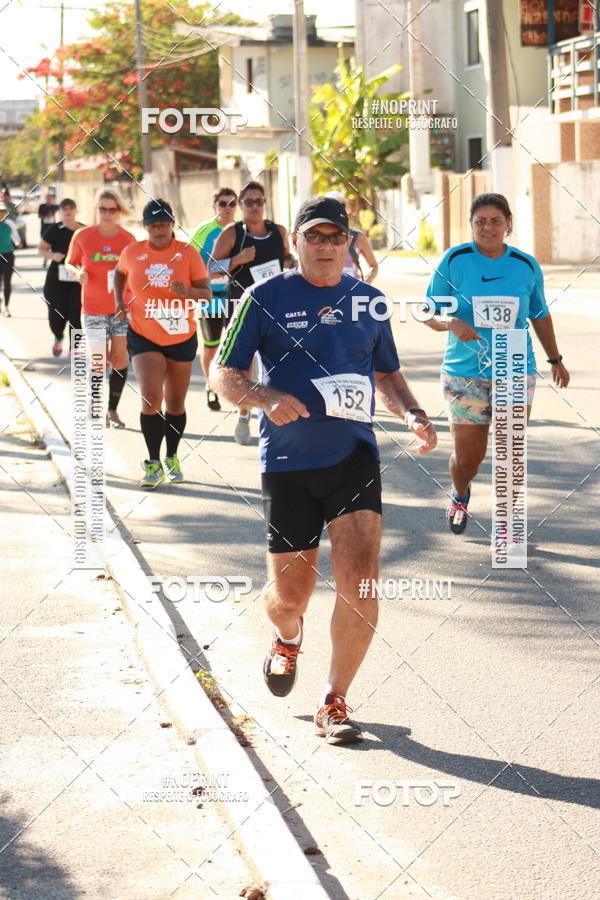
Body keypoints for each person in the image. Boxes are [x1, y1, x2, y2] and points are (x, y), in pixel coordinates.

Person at [211, 196, 437, 745]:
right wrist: (265, 398)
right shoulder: (264, 298)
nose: (327, 245)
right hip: (288, 462)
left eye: (337, 237)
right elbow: (224, 373)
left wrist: (412, 412)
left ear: (349, 243)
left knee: (361, 574)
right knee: (291, 595)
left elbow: (387, 374)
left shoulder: (370, 302)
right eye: (316, 236)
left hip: (354, 456)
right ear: (297, 242)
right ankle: (287, 638)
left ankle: (335, 700)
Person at [424, 192, 570, 534]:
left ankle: (507, 525)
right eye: (480, 221)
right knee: (468, 459)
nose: (488, 227)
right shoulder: (455, 259)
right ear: (471, 224)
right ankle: (461, 494)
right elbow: (426, 310)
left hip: (514, 364)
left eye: (495, 221)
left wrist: (555, 359)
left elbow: (539, 313)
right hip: (465, 372)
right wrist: (451, 323)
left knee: (510, 450)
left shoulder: (525, 265)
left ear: (508, 225)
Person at [114, 199, 211, 489]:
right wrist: (120, 301)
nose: (160, 230)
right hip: (143, 333)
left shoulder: (187, 253)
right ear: (146, 227)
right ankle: (153, 461)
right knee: (151, 398)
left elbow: (206, 294)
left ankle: (172, 456)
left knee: (175, 402)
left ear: (172, 225)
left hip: (181, 335)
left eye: (165, 225)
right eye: (154, 225)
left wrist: (187, 291)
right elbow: (119, 274)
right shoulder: (132, 252)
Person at [212, 180, 291, 445]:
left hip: (276, 307)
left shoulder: (278, 231)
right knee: (243, 367)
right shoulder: (233, 234)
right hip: (241, 308)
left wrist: (291, 264)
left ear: (265, 203)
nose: (254, 206)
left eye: (259, 201)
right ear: (240, 206)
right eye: (249, 202)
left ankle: (275, 412)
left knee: (278, 363)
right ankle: (244, 415)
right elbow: (210, 268)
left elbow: (288, 259)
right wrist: (237, 260)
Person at [66, 188, 135, 428]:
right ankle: (94, 404)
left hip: (120, 308)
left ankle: (112, 411)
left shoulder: (127, 239)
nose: (107, 214)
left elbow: (135, 271)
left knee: (119, 359)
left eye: (111, 209)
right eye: (102, 209)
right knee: (98, 359)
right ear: (96, 210)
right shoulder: (83, 236)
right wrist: (78, 273)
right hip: (93, 308)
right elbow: (70, 262)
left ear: (118, 211)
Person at [189, 186, 238, 411]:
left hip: (236, 296)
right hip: (210, 297)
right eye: (222, 204)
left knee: (236, 344)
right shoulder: (204, 231)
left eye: (232, 204)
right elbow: (188, 260)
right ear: (214, 206)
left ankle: (235, 388)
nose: (227, 208)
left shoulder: (242, 229)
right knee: (211, 345)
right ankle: (211, 386)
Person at [39, 198, 84, 356]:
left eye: (71, 207)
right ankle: (58, 336)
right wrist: (53, 255)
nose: (68, 211)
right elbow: (42, 249)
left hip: (78, 280)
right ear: (60, 211)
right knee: (57, 315)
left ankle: (74, 347)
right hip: (56, 280)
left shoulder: (84, 231)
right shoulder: (54, 230)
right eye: (64, 208)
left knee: (75, 315)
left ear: (76, 210)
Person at [324, 190, 379, 283]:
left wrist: (364, 285)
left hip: (352, 294)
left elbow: (374, 266)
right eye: (332, 206)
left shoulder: (358, 237)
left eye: (342, 205)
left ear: (347, 209)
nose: (338, 209)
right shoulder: (316, 238)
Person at [0, 201, 22, 316]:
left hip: (8, 255)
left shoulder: (9, 223)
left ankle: (6, 307)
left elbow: (15, 236)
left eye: (3, 211)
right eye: (0, 211)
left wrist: (18, 242)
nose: (1, 213)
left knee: (7, 281)